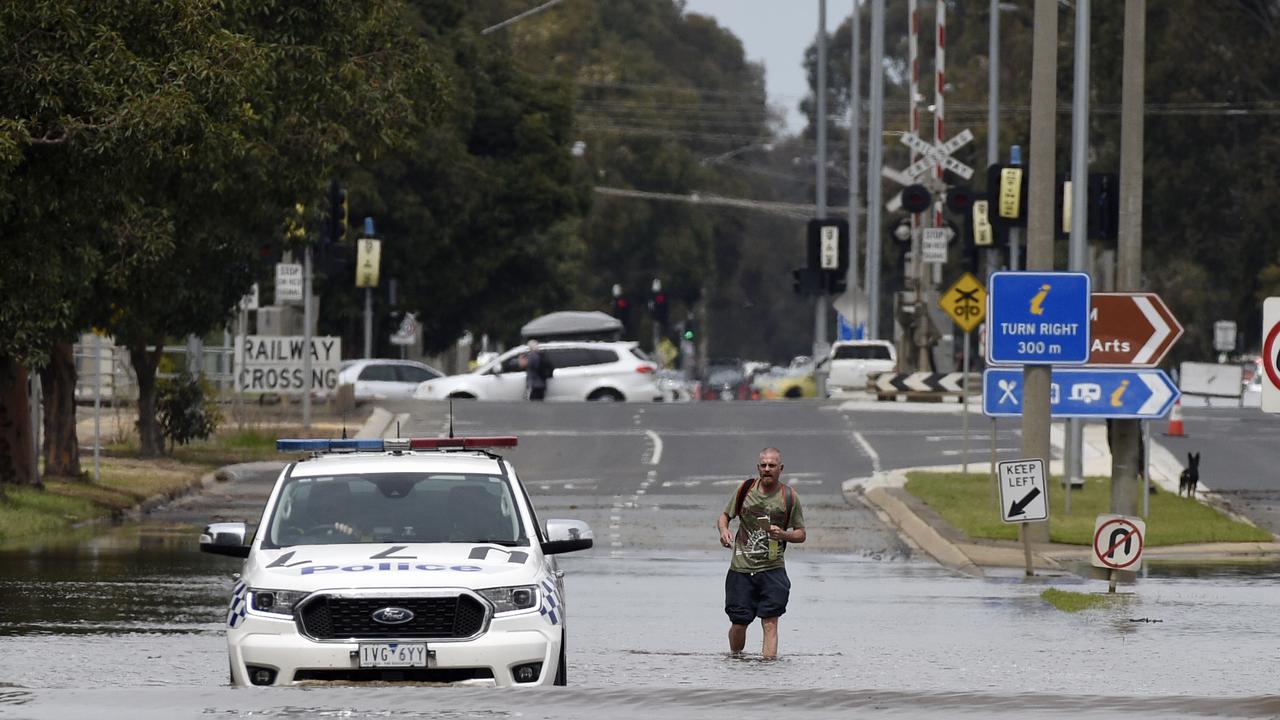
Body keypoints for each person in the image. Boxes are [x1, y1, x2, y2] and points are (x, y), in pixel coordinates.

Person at [715, 446, 805, 658]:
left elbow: (801, 534)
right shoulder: (745, 489)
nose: (767, 469)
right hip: (741, 569)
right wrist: (723, 530)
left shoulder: (789, 497)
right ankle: (736, 658)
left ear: (780, 469)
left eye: (771, 465)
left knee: (770, 622)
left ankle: (769, 671)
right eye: (763, 465)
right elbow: (724, 516)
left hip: (773, 570)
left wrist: (783, 534)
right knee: (739, 623)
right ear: (758, 467)